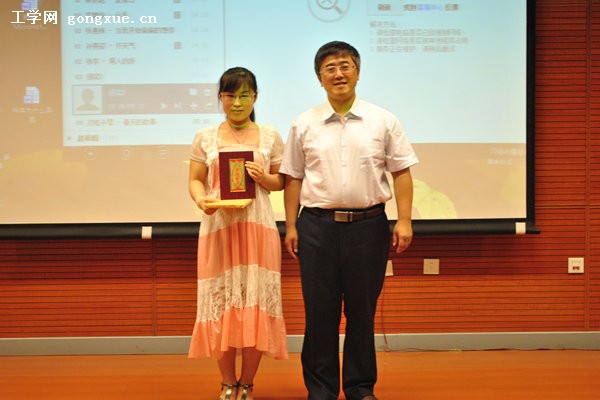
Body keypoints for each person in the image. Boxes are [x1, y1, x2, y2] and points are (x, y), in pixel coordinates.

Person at [279, 41, 419, 400]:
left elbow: (401, 172)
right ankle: (321, 390)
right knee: (319, 314)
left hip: (368, 228)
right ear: (319, 78)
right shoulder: (303, 123)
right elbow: (293, 177)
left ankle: (360, 387)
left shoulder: (382, 120)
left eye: (345, 66)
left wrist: (404, 220)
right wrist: (291, 226)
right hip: (316, 228)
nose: (338, 74)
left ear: (357, 72)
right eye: (330, 68)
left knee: (362, 312)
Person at [188, 67, 288, 400]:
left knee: (255, 304)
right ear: (221, 98)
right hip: (219, 228)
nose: (237, 102)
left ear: (255, 97)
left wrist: (263, 178)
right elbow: (195, 180)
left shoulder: (270, 136)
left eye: (244, 95)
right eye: (230, 95)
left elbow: (281, 182)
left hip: (257, 229)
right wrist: (202, 200)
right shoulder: (205, 137)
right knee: (221, 307)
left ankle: (247, 383)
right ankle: (227, 382)